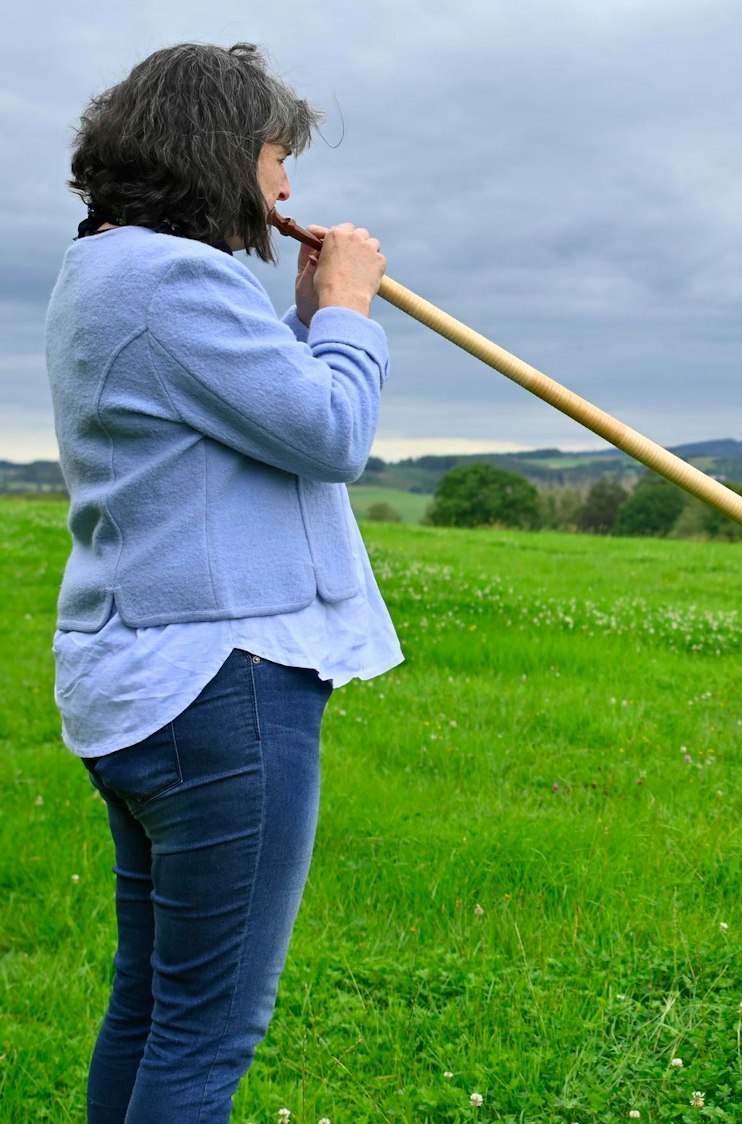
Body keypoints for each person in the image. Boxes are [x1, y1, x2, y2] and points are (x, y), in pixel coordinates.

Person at [47, 42, 400, 1122]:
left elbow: (240, 428)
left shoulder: (105, 270)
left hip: (151, 678)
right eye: (274, 155)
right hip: (223, 682)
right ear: (218, 150)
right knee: (209, 1028)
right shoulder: (175, 275)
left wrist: (298, 324)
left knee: (154, 1004)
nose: (285, 185)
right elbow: (331, 431)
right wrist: (347, 311)